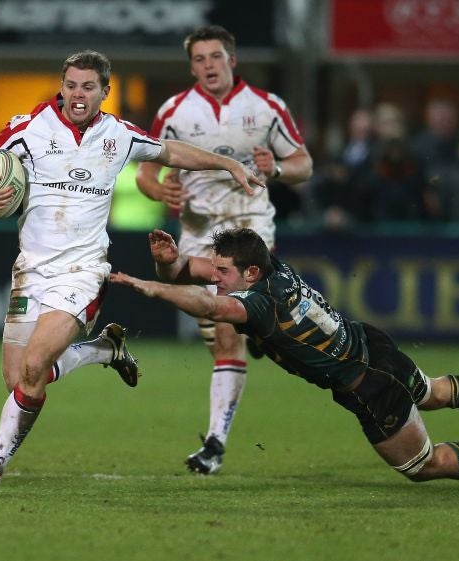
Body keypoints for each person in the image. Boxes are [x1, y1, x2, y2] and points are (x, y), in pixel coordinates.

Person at [0, 50, 265, 496]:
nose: (78, 95)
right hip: (30, 271)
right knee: (20, 380)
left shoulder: (118, 134)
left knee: (35, 366)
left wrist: (228, 163)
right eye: (71, 85)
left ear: (105, 91)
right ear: (61, 86)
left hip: (83, 271)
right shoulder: (28, 126)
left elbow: (171, 150)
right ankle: (105, 351)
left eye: (88, 87)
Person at [110, 227, 459, 495]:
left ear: (249, 272)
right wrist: (167, 263)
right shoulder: (270, 266)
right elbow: (191, 273)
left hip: (364, 384)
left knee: (421, 465)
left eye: (222, 272)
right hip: (371, 344)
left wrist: (152, 288)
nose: (216, 278)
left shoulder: (260, 304)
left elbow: (211, 308)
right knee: (432, 391)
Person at [135, 25, 312, 475]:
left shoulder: (267, 107)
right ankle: (260, 332)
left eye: (215, 57)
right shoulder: (174, 111)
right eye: (199, 59)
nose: (208, 66)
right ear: (191, 65)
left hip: (250, 227)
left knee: (227, 330)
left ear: (232, 60)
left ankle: (214, 443)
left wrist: (280, 170)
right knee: (224, 336)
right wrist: (161, 194)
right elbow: (144, 174)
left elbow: (303, 163)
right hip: (197, 234)